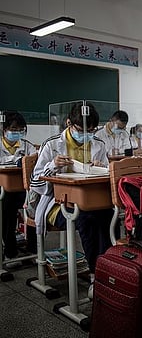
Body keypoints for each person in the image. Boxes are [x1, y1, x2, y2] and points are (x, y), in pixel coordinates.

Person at [30, 102, 112, 298]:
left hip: (89, 200)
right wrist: (53, 166)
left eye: (92, 130)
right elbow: (35, 183)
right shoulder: (52, 144)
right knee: (86, 218)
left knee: (108, 216)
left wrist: (99, 167)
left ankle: (107, 272)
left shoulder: (98, 144)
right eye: (81, 130)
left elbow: (108, 175)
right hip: (57, 204)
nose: (87, 134)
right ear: (68, 123)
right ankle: (96, 275)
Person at [0, 111, 37, 259]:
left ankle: (33, 249)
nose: (17, 133)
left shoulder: (27, 145)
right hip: (3, 190)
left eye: (21, 130)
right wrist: (14, 160)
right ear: (5, 129)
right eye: (14, 130)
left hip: (24, 189)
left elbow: (34, 160)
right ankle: (10, 251)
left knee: (34, 206)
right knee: (7, 210)